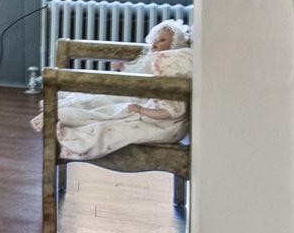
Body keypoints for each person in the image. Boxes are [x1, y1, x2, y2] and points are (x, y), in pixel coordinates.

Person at [31, 19, 193, 159]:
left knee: (103, 104)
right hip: (134, 91)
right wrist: (124, 68)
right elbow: (136, 73)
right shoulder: (150, 57)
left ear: (174, 45)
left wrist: (140, 108)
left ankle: (65, 117)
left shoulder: (166, 65)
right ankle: (62, 110)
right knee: (95, 98)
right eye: (155, 39)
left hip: (139, 96)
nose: (155, 44)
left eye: (162, 40)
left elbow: (147, 83)